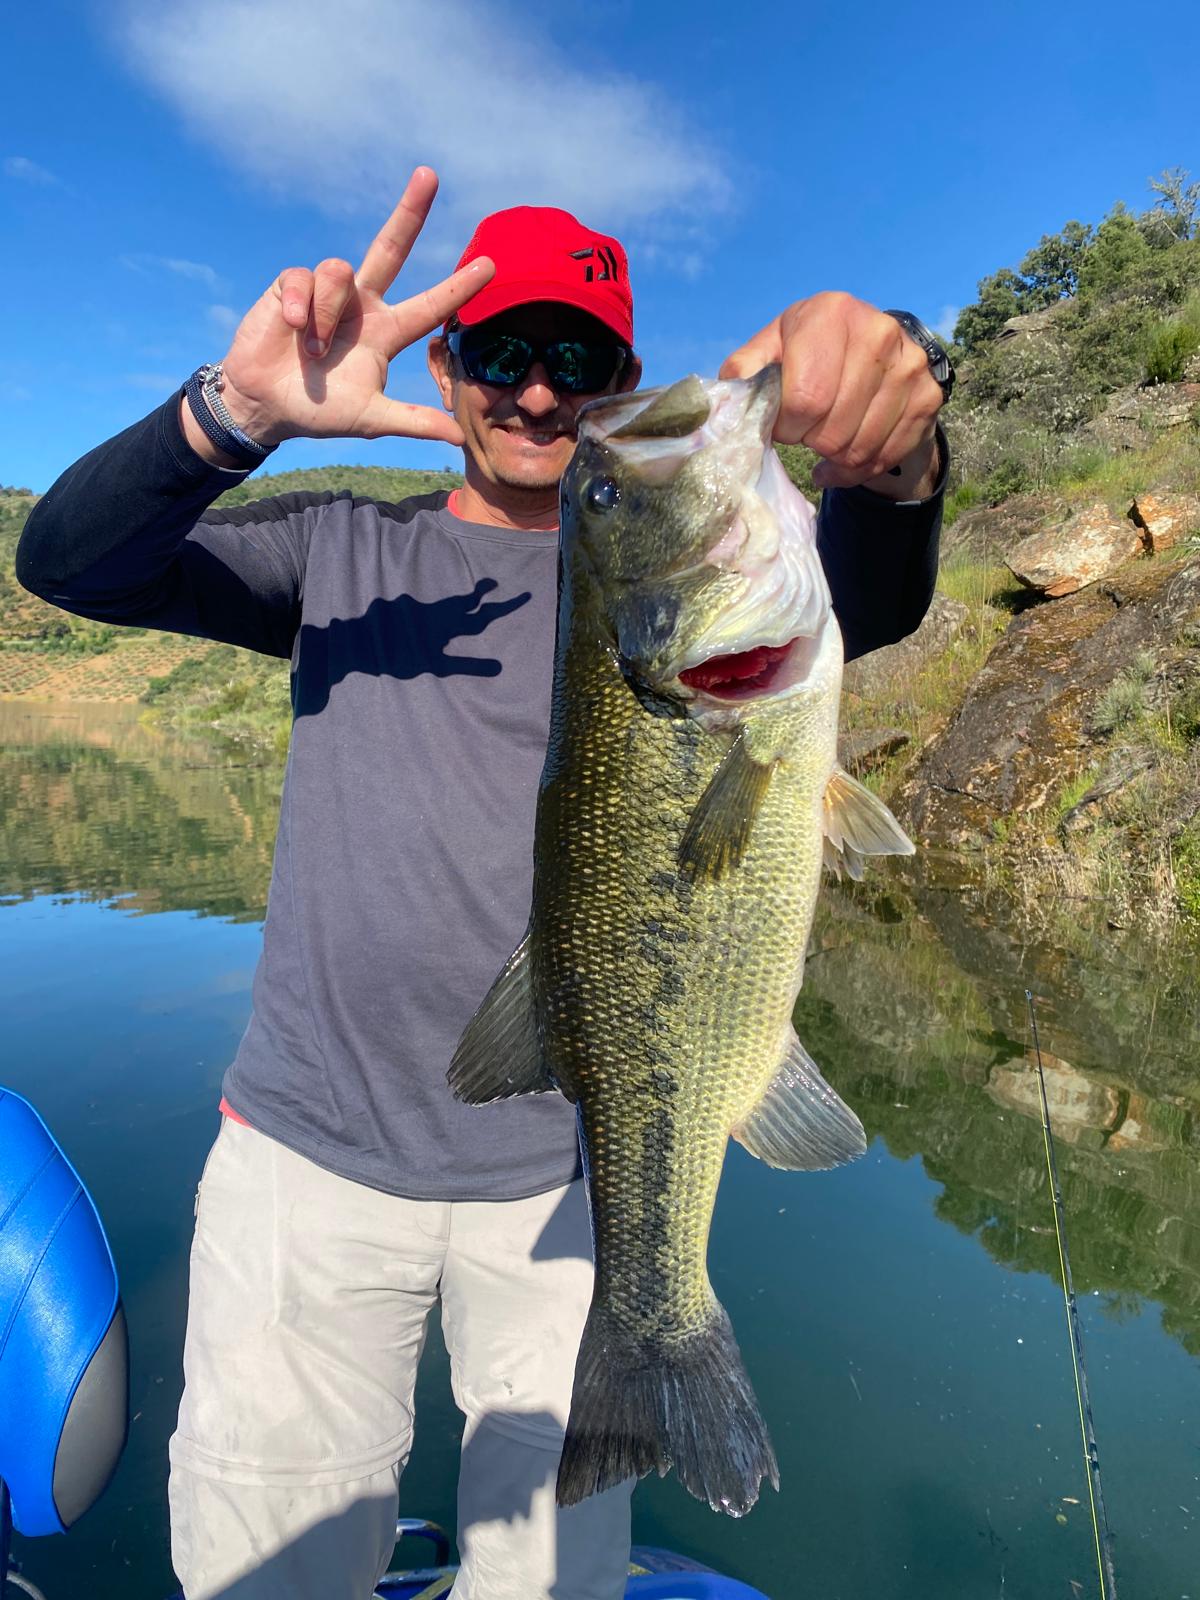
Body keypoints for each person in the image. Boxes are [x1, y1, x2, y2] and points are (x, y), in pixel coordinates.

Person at [17, 166, 949, 1600]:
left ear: (619, 381)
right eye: (498, 351)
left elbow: (873, 584)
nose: (532, 392)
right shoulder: (342, 546)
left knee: (558, 1583)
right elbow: (66, 563)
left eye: (575, 360)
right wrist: (234, 417)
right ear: (443, 365)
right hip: (306, 1166)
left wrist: (893, 433)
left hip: (568, 1178)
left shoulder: (730, 584)